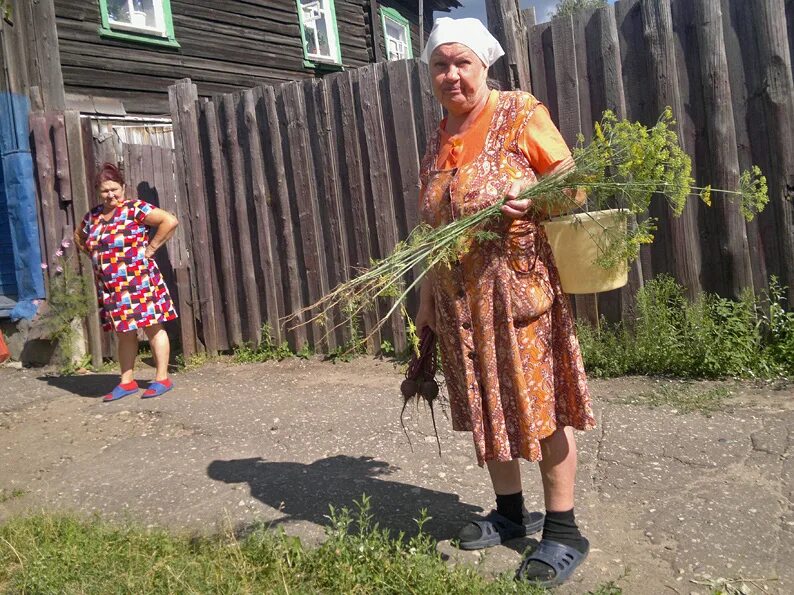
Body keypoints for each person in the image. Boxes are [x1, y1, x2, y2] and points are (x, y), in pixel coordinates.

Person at [415, 18, 596, 587]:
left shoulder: (519, 112)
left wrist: (535, 194)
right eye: (440, 65)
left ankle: (563, 531)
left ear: (483, 66)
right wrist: (426, 297)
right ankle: (510, 514)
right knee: (488, 408)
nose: (450, 75)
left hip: (519, 298)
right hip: (459, 305)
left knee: (540, 410)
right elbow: (433, 227)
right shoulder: (440, 132)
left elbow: (575, 183)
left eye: (460, 63)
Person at [74, 163, 179, 402]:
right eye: (105, 191)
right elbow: (79, 237)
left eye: (114, 189)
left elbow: (169, 221)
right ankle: (127, 381)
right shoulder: (93, 217)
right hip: (113, 288)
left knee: (153, 327)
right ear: (98, 192)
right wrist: (94, 255)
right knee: (124, 334)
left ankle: (162, 378)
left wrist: (151, 248)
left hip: (140, 283)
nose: (110, 195)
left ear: (123, 187)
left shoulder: (135, 209)